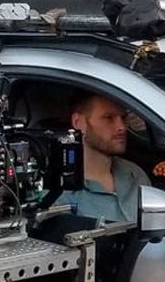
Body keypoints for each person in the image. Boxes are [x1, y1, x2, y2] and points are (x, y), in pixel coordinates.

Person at [57, 92, 149, 224]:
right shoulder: (60, 192)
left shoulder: (135, 175)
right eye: (108, 118)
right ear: (78, 122)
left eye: (123, 118)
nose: (121, 127)